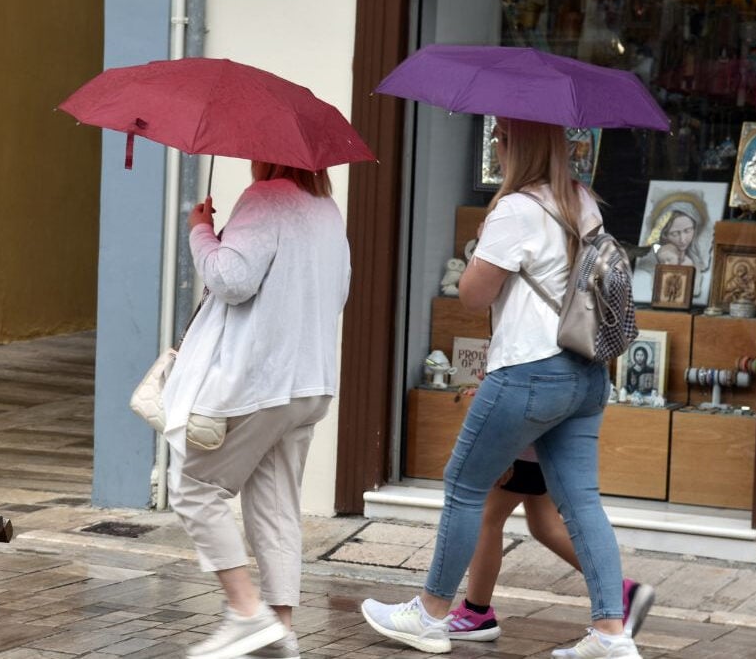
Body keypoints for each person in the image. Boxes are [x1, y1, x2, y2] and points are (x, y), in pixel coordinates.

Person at [360, 117, 647, 659]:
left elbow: (471, 295)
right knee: (582, 503)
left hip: (528, 370)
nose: (494, 142)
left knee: (465, 486)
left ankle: (430, 614)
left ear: (519, 145)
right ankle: (611, 634)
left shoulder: (515, 210)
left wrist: (483, 244)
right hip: (585, 373)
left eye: (501, 137)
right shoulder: (582, 200)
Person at [164, 161, 350, 659]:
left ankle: (246, 612)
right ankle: (280, 630)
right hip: (311, 383)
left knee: (193, 487)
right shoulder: (327, 210)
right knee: (275, 503)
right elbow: (340, 291)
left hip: (263, 379)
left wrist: (201, 231)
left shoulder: (265, 198)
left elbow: (231, 279)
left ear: (264, 155)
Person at [445, 446, 656, 643]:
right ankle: (620, 591)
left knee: (486, 519)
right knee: (545, 525)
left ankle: (475, 613)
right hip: (541, 447)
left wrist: (503, 452)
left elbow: (510, 407)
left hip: (520, 448)